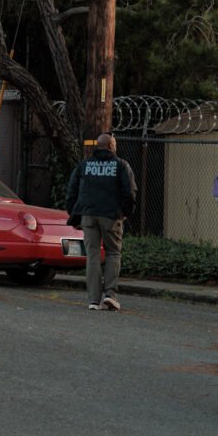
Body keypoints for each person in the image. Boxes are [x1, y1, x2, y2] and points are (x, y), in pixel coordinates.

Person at [65, 133, 137, 310]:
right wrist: (126, 213)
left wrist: (74, 213)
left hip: (88, 215)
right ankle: (110, 294)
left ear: (98, 146)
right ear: (112, 146)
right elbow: (129, 192)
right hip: (111, 215)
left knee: (93, 255)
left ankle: (93, 300)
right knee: (113, 253)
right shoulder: (121, 165)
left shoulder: (84, 165)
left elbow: (71, 191)